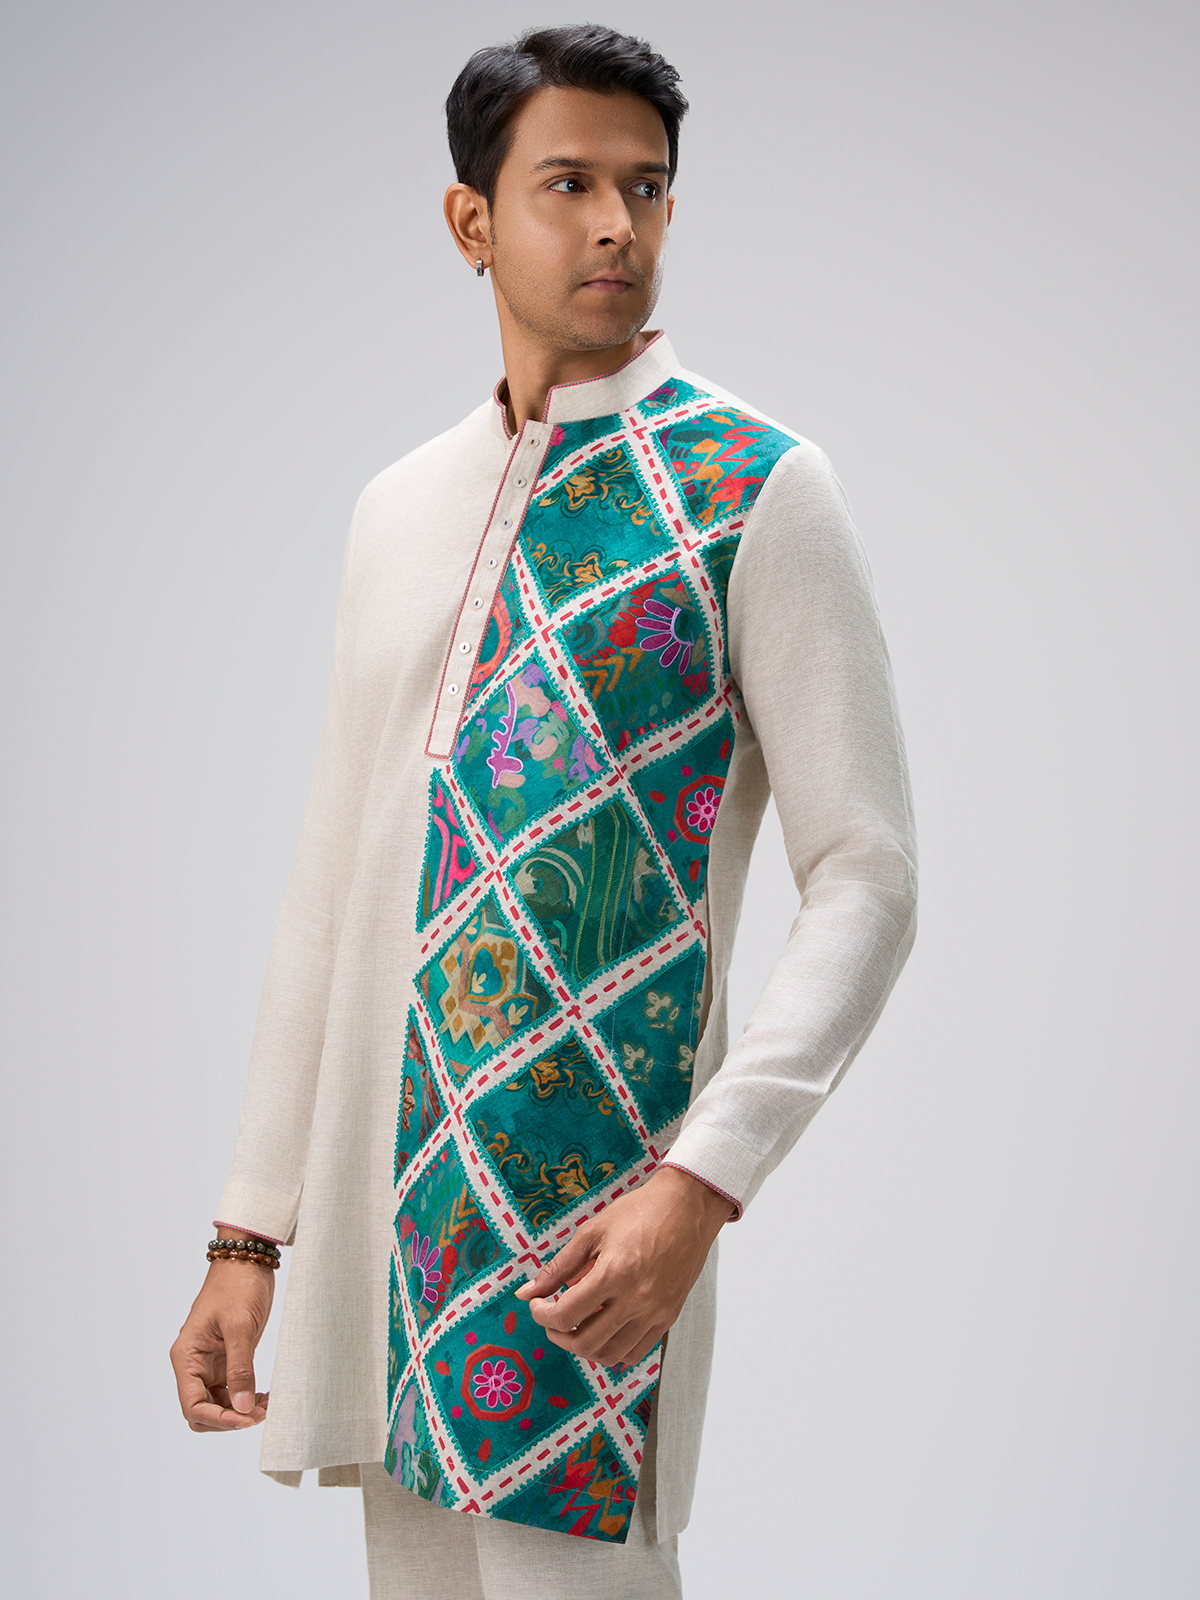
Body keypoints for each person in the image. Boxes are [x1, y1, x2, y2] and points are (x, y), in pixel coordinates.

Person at [170, 23, 917, 1600]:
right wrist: (248, 1235)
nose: (615, 225)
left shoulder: (754, 488)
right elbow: (330, 884)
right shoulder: (399, 508)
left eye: (646, 188)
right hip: (391, 1218)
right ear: (472, 220)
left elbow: (868, 875)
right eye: (568, 183)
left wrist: (704, 1181)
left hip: (594, 1217)